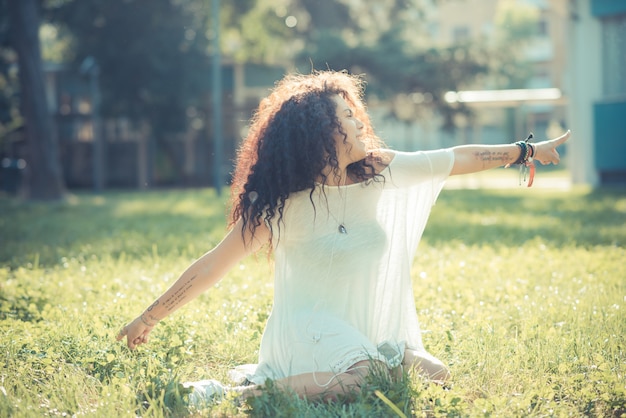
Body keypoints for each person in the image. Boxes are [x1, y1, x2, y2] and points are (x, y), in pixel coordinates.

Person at [117, 70, 570, 404]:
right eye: (347, 116)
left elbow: (454, 158)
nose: (359, 123)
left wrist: (526, 151)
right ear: (321, 132)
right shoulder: (280, 203)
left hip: (359, 325)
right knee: (368, 377)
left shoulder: (376, 171)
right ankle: (236, 396)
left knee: (435, 372)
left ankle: (284, 380)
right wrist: (148, 319)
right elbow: (213, 265)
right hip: (305, 328)